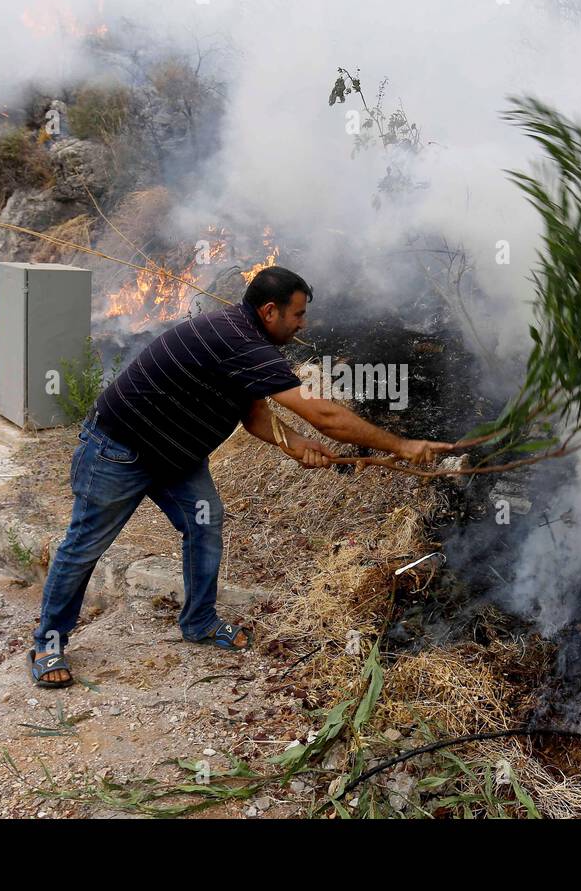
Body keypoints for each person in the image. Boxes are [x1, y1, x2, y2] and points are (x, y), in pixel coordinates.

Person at [29, 266, 453, 686]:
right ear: (270, 311)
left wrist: (297, 445)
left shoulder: (244, 336)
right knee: (84, 546)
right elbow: (326, 415)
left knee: (204, 522)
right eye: (298, 315)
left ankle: (199, 622)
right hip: (120, 450)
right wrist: (402, 446)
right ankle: (48, 644)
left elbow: (254, 415)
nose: (303, 324)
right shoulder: (239, 341)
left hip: (176, 457)